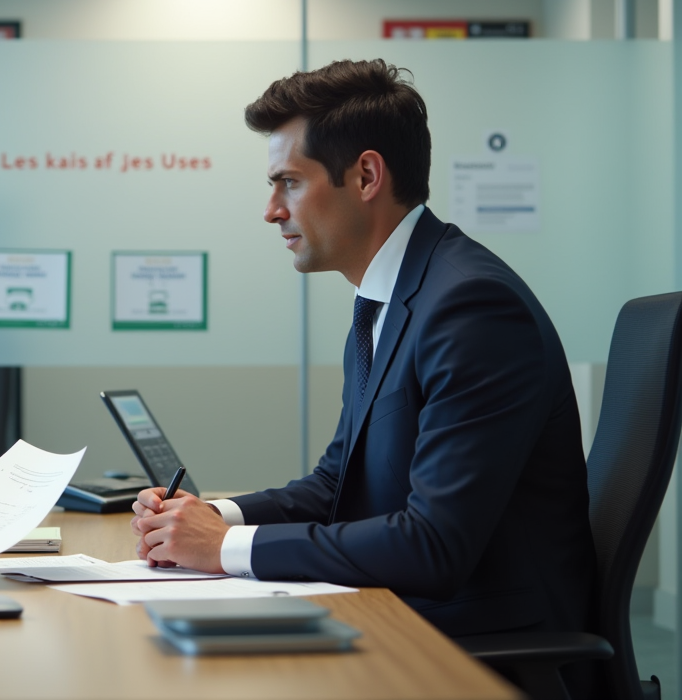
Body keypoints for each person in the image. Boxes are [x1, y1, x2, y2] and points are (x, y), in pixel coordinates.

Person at [131, 60, 596, 642]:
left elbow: (434, 546)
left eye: (290, 182)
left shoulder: (472, 307)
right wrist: (208, 519)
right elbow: (338, 484)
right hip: (409, 616)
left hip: (478, 641)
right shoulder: (388, 296)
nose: (272, 209)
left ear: (366, 176)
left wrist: (225, 548)